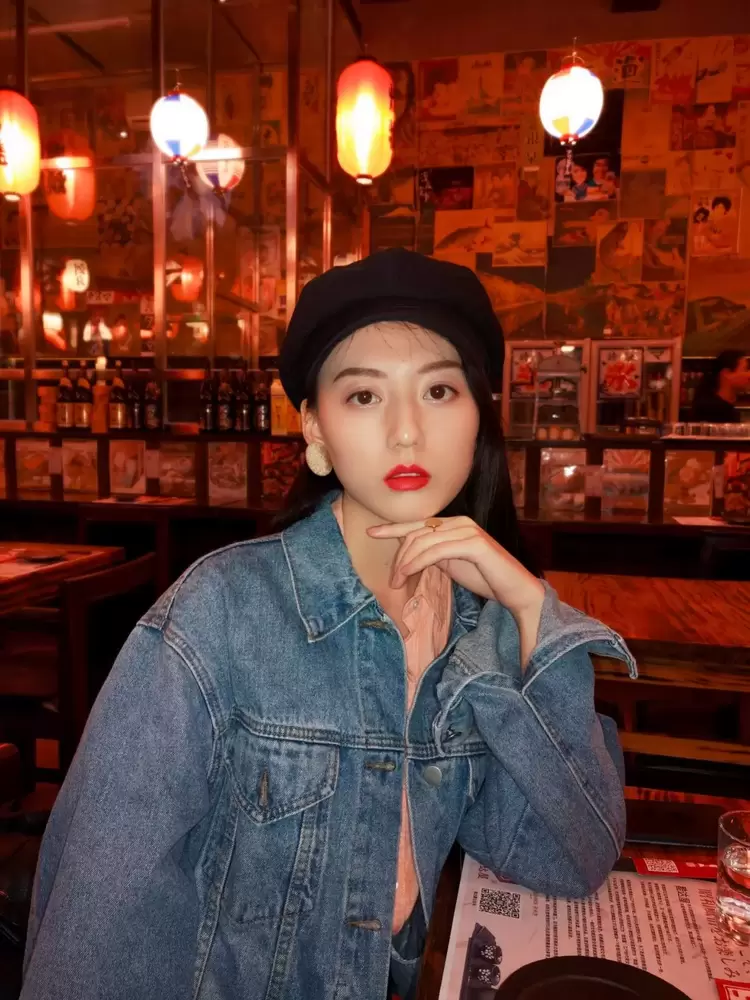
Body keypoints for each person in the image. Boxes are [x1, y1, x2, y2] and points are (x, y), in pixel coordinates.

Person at [21, 249, 636, 1000]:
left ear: (479, 416)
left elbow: (569, 858)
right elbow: (100, 921)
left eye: (439, 390)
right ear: (314, 430)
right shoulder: (220, 615)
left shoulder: (481, 624)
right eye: (364, 396)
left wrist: (533, 612)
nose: (407, 432)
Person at [691, 349, 750, 423]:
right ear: (726, 374)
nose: (748, 375)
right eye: (745, 369)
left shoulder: (725, 409)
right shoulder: (712, 412)